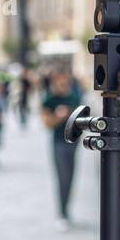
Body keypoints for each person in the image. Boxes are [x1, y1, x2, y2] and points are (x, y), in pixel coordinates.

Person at [41, 71, 81, 229]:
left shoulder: (75, 98)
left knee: (70, 177)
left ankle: (66, 209)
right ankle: (62, 212)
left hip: (73, 143)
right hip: (59, 142)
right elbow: (46, 123)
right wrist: (58, 117)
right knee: (62, 177)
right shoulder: (49, 100)